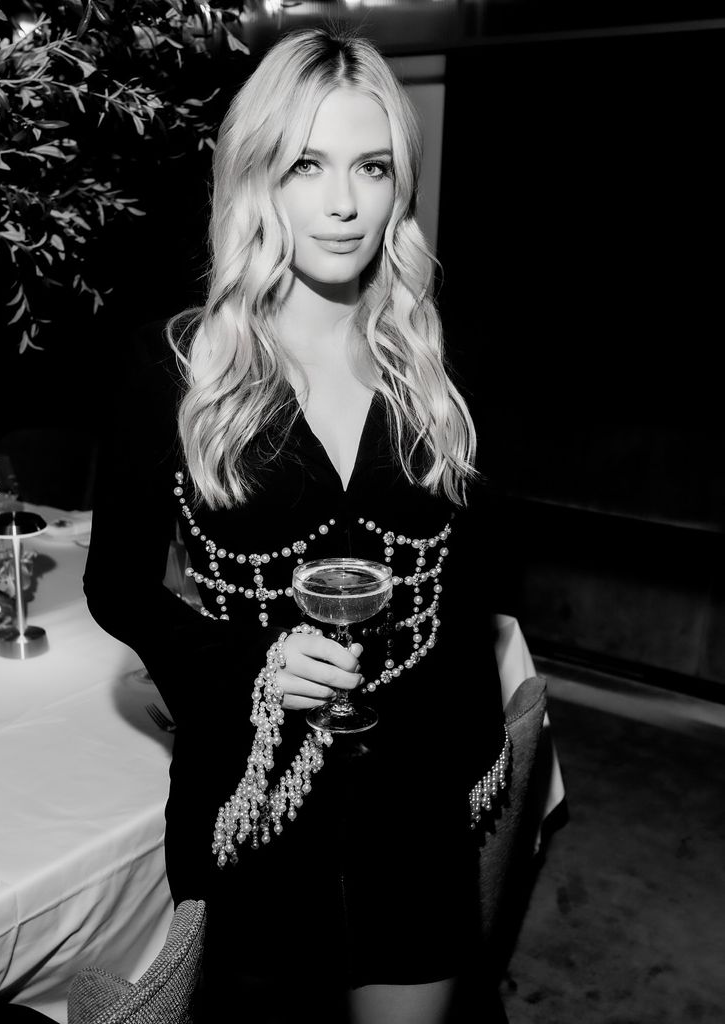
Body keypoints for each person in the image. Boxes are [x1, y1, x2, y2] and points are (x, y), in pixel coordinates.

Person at [84, 28, 509, 1024]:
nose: (344, 202)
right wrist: (251, 668)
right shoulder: (176, 368)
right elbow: (117, 585)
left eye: (371, 166)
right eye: (306, 164)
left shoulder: (446, 363)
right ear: (256, 178)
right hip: (254, 796)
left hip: (412, 809)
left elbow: (480, 580)